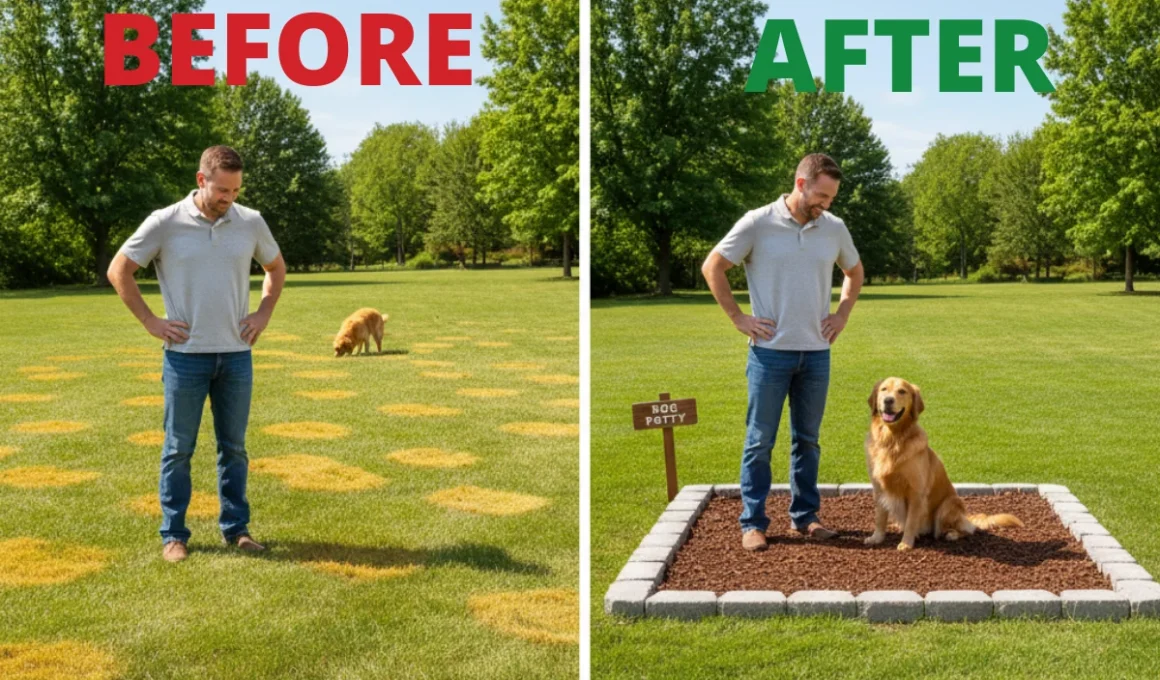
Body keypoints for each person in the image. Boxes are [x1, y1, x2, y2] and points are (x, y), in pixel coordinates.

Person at [107, 145, 286, 562]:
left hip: (237, 355)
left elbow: (275, 268)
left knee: (235, 448)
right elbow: (119, 270)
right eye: (223, 189)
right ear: (201, 180)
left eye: (236, 190)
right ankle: (174, 535)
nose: (230, 198)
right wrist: (152, 322)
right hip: (185, 357)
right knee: (178, 449)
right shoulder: (164, 223)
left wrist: (262, 313)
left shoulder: (250, 222)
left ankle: (237, 530)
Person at [701, 153, 864, 552]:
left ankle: (805, 518)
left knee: (807, 440)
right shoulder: (757, 222)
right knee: (760, 441)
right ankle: (753, 523)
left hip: (816, 353)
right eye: (822, 195)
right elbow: (713, 267)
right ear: (800, 183)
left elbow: (854, 272)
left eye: (832, 198)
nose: (826, 204)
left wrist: (841, 314)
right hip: (769, 354)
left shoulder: (834, 228)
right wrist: (738, 317)